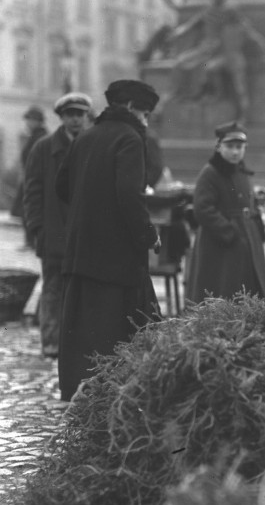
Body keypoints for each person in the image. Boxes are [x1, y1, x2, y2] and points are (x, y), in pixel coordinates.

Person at [55, 80, 162, 402]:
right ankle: (119, 393)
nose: (146, 120)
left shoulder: (86, 136)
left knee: (84, 326)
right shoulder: (130, 138)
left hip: (81, 251)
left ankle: (79, 390)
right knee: (118, 326)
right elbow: (130, 195)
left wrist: (89, 209)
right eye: (144, 112)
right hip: (116, 257)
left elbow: (63, 186)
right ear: (130, 108)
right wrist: (148, 234)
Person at [23, 92, 92, 359]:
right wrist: (38, 228)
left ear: (87, 117)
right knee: (52, 288)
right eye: (70, 115)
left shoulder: (90, 146)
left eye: (80, 115)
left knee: (81, 289)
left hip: (83, 233)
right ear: (61, 118)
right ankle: (51, 341)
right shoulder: (43, 148)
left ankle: (76, 342)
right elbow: (32, 192)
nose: (75, 120)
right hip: (53, 232)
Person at [186, 121, 265, 303]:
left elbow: (238, 198)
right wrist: (229, 232)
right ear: (218, 147)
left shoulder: (241, 170)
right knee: (224, 290)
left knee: (247, 289)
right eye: (229, 146)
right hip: (221, 245)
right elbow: (203, 209)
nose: (235, 152)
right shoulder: (210, 173)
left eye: (239, 147)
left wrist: (255, 201)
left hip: (246, 238)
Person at [11, 106, 49, 249]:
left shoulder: (41, 137)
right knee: (27, 210)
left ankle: (32, 242)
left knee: (31, 210)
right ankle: (30, 241)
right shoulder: (35, 136)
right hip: (30, 178)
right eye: (27, 120)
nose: (27, 124)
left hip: (35, 180)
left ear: (38, 121)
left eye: (30, 120)